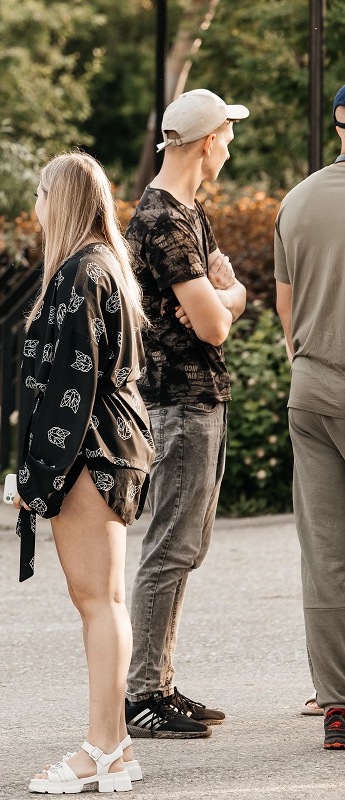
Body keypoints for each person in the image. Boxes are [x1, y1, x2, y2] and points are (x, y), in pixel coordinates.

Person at [11, 152, 153, 793]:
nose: (35, 205)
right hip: (112, 445)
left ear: (59, 198)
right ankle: (114, 751)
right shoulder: (104, 266)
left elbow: (72, 386)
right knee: (106, 601)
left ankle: (101, 746)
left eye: (41, 193)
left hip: (90, 450)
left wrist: (35, 480)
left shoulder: (79, 272)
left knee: (97, 603)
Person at [122, 89, 248, 739]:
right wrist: (221, 303)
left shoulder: (188, 211)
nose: (230, 145)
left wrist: (224, 297)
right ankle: (143, 692)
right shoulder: (164, 220)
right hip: (177, 402)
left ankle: (159, 683)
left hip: (200, 397)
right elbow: (216, 324)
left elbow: (227, 300)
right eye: (227, 135)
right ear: (206, 143)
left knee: (184, 549)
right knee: (169, 550)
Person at [273, 83, 345, 751]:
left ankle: (338, 707)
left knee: (325, 554)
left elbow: (286, 316)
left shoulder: (297, 201)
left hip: (313, 388)